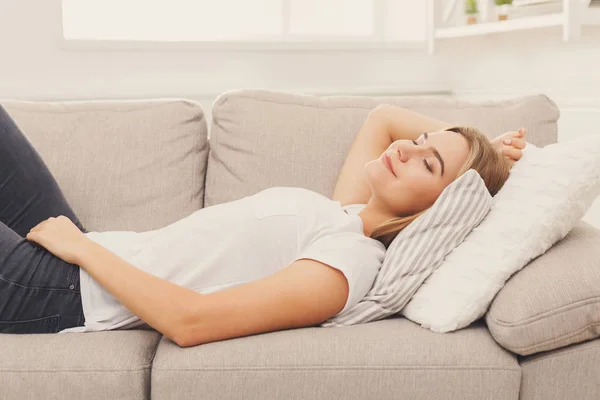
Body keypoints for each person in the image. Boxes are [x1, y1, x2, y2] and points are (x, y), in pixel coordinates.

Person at [0, 103, 526, 347]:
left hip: (60, 291)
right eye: (420, 143)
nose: (405, 149)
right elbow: (382, 118)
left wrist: (83, 252)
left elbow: (191, 323)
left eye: (428, 164)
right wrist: (484, 147)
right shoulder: (345, 215)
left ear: (443, 206)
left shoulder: (349, 264)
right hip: (80, 252)